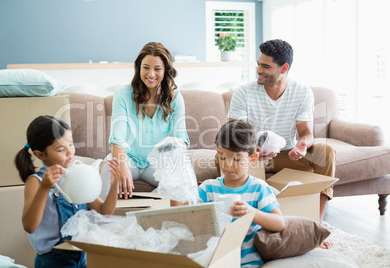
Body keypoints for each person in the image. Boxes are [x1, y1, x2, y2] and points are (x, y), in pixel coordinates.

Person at [228, 39, 336, 246]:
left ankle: (315, 225)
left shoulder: (302, 92)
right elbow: (233, 135)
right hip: (253, 157)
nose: (258, 70)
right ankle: (246, 226)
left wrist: (302, 145)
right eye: (258, 64)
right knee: (223, 159)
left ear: (284, 68)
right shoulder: (243, 93)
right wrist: (253, 152)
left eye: (265, 66)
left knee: (326, 152)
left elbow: (306, 133)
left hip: (287, 155)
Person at [14, 115, 119, 268]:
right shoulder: (35, 181)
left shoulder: (77, 176)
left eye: (71, 144)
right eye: (61, 149)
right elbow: (29, 226)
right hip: (53, 260)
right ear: (40, 155)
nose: (70, 152)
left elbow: (104, 212)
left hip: (82, 255)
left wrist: (114, 185)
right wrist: (45, 187)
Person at [101, 42, 189, 200]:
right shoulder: (123, 95)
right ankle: (100, 219)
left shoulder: (175, 98)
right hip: (128, 158)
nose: (151, 74)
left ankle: (148, 211)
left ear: (166, 70)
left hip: (156, 162)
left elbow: (181, 139)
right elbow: (117, 137)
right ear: (139, 68)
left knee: (180, 178)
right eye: (146, 67)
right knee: (110, 167)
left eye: (157, 69)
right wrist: (121, 165)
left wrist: (171, 163)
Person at [198, 120, 285, 267]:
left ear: (252, 159)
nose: (228, 164)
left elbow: (279, 223)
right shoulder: (208, 188)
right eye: (222, 157)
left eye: (237, 159)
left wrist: (252, 213)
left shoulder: (258, 188)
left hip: (248, 263)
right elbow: (189, 219)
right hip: (214, 261)